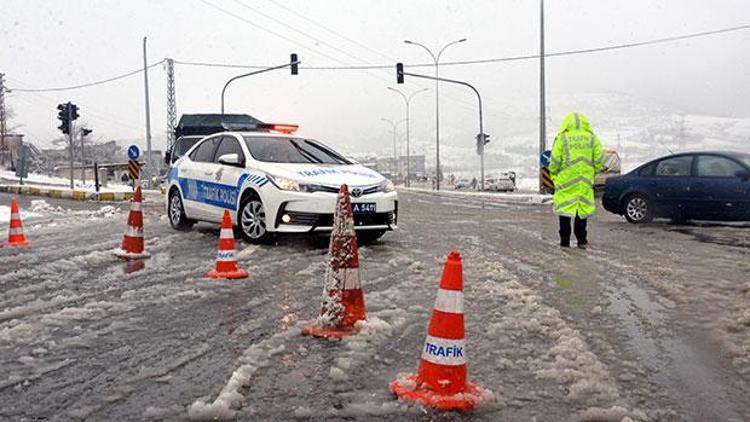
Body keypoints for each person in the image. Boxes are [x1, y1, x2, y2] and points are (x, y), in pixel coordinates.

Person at [548, 112, 604, 249]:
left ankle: (565, 240)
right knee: (581, 210)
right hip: (583, 182)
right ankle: (581, 239)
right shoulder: (592, 138)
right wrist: (590, 171)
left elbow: (554, 161)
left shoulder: (563, 139)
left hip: (566, 182)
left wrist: (554, 175)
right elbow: (599, 160)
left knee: (565, 212)